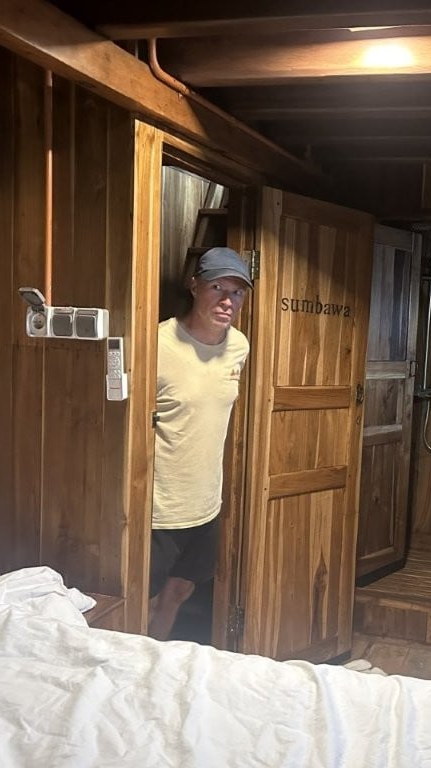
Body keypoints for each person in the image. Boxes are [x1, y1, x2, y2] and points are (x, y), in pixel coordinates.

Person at [148, 246, 252, 642]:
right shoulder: (158, 343)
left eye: (237, 293)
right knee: (146, 596)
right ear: (195, 286)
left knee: (180, 590)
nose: (228, 301)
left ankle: (154, 659)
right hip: (160, 504)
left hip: (206, 502)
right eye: (217, 288)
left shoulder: (239, 347)